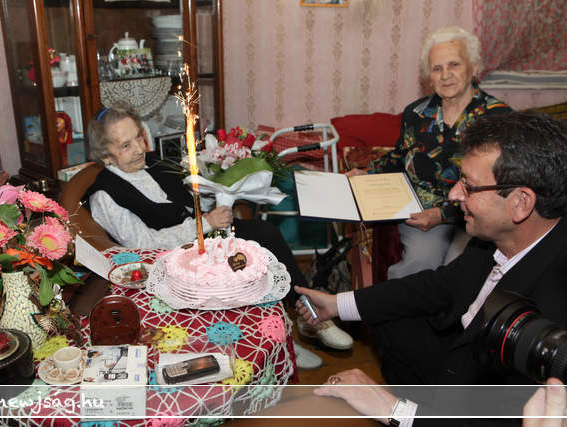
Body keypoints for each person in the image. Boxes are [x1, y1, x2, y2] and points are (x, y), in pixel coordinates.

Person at [296, 112, 567, 423]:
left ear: (521, 202)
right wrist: (337, 305)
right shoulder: (496, 235)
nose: (453, 195)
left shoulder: (554, 310)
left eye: (469, 187)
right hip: (456, 361)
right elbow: (437, 286)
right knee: (386, 315)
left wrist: (392, 409)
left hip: (479, 401)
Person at [81, 100, 351, 368]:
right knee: (249, 265)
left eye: (139, 137)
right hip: (174, 262)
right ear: (106, 155)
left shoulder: (153, 165)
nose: (140, 149)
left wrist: (222, 192)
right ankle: (285, 337)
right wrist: (206, 224)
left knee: (265, 235)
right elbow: (143, 244)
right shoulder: (105, 195)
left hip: (202, 240)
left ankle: (305, 314)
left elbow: (188, 203)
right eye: (125, 146)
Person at [348, 26, 511, 280]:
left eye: (454, 65)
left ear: (474, 68)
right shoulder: (416, 113)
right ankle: (393, 305)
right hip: (423, 213)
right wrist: (367, 173)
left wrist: (443, 215)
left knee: (460, 268)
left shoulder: (499, 117)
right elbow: (401, 157)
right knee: (420, 264)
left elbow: (504, 183)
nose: (445, 75)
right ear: (429, 77)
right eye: (437, 68)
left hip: (478, 214)